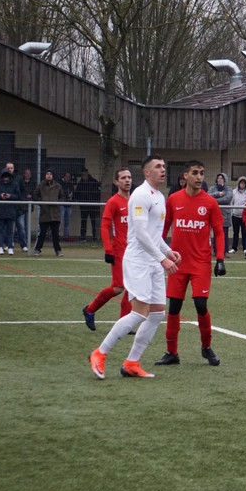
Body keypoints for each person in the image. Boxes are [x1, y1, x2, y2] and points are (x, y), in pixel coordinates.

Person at [88, 155, 181, 380]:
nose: (163, 170)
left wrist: (167, 251)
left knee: (157, 313)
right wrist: (162, 259)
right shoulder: (140, 195)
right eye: (158, 166)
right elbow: (140, 234)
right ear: (146, 172)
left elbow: (153, 234)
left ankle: (132, 362)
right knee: (139, 313)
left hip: (153, 260)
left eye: (164, 166)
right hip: (139, 261)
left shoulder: (159, 196)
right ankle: (100, 352)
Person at [156, 160, 226, 367]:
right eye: (195, 173)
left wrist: (220, 259)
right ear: (185, 176)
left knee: (200, 304)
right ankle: (172, 352)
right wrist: (159, 254)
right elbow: (163, 228)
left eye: (202, 173)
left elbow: (219, 232)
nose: (199, 177)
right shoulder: (173, 200)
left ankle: (206, 348)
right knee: (174, 307)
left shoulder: (210, 203)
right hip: (177, 262)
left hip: (200, 263)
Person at [83, 168, 133, 331]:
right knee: (118, 287)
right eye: (123, 178)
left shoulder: (135, 201)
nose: (127, 180)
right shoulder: (113, 202)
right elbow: (104, 227)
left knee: (132, 287)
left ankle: (124, 323)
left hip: (134, 251)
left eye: (129, 177)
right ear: (116, 182)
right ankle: (89, 309)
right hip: (118, 250)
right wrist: (108, 250)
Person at [33, 169, 64, 256]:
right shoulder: (40, 186)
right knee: (42, 233)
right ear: (45, 175)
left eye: (50, 174)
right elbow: (35, 196)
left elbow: (62, 197)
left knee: (56, 235)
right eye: (47, 174)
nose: (49, 175)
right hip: (45, 213)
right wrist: (42, 203)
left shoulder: (58, 186)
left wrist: (58, 203)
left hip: (55, 214)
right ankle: (37, 249)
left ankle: (58, 250)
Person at [0, 168, 21, 255]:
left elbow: (18, 196)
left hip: (11, 210)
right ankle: (0, 247)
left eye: (7, 176)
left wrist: (10, 196)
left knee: (10, 231)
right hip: (0, 210)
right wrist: (0, 196)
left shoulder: (15, 184)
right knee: (0, 230)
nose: (5, 178)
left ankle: (10, 247)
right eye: (4, 176)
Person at [208, 172, 232, 256]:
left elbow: (227, 198)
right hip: (215, 214)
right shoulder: (212, 188)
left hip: (225, 214)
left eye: (221, 178)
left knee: (224, 233)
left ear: (224, 180)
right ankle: (215, 250)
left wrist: (215, 201)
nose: (220, 180)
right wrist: (217, 194)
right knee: (216, 233)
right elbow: (208, 196)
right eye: (218, 178)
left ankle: (225, 251)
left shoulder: (228, 189)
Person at [75, 168, 101, 242]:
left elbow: (97, 193)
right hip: (83, 206)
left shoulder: (93, 182)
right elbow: (77, 193)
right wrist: (80, 201)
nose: (84, 176)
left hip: (92, 205)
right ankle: (83, 237)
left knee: (93, 222)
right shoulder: (80, 183)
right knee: (83, 221)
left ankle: (94, 237)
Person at [229, 176, 246, 254]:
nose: (242, 185)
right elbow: (231, 202)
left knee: (244, 232)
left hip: (244, 216)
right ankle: (234, 248)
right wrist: (232, 212)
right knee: (235, 232)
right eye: (241, 183)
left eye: (244, 183)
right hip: (235, 215)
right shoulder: (234, 191)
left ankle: (245, 247)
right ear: (238, 183)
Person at [59, 171, 75, 240]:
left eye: (69, 176)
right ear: (64, 176)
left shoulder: (70, 184)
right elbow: (60, 193)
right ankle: (57, 235)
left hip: (69, 204)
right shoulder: (60, 184)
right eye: (66, 176)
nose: (68, 178)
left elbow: (73, 192)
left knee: (67, 221)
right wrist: (66, 195)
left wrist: (71, 196)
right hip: (62, 204)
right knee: (60, 221)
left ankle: (66, 236)